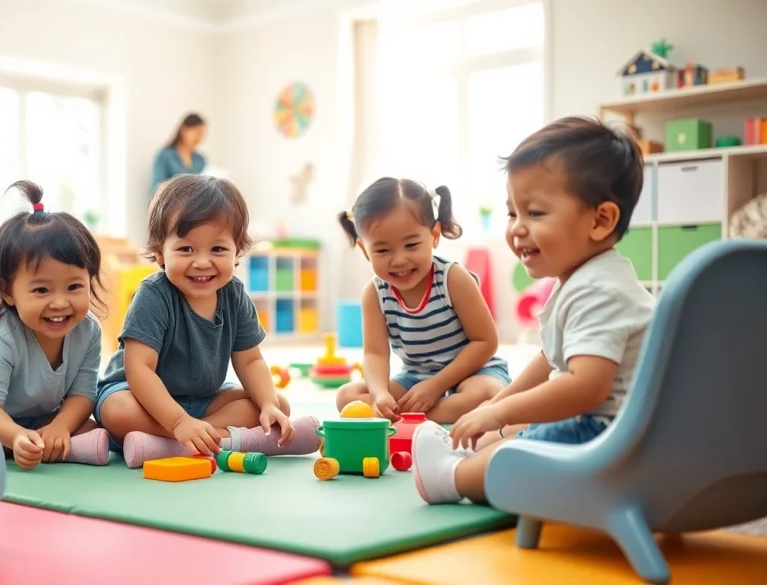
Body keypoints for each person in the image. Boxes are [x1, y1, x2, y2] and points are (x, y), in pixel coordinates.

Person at [411, 116, 656, 505]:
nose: (517, 229)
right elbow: (549, 359)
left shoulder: (599, 290)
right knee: (505, 427)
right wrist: (497, 405)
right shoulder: (586, 278)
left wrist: (501, 411)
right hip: (606, 428)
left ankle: (452, 477)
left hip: (607, 438)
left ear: (601, 219)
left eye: (535, 213)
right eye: (512, 213)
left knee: (517, 452)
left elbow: (584, 387)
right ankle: (472, 452)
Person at [95, 174, 321, 468]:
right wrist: (178, 421)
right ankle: (198, 436)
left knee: (279, 405)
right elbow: (139, 370)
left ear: (237, 252)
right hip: (139, 397)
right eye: (186, 249)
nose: (202, 262)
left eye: (217, 249)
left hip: (203, 400)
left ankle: (184, 441)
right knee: (116, 410)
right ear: (160, 253)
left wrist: (267, 404)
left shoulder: (234, 295)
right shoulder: (154, 295)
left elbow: (250, 361)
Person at [0, 180, 110, 470]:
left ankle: (1, 446)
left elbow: (82, 395)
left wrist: (60, 428)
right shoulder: (2, 334)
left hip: (32, 414)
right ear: (8, 291)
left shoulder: (88, 331)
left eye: (74, 286)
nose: (60, 303)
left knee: (84, 424)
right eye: (41, 291)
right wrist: (15, 436)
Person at [335, 178, 510, 424]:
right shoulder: (375, 293)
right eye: (383, 250)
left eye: (411, 245)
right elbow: (375, 353)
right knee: (348, 396)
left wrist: (437, 385)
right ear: (365, 250)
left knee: (484, 393)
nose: (399, 259)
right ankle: (418, 415)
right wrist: (380, 394)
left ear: (434, 235)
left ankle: (410, 418)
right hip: (415, 378)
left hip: (474, 372)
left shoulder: (452, 278)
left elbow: (485, 342)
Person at [150, 113, 207, 194]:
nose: (200, 137)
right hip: (172, 205)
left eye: (202, 133)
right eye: (197, 132)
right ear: (183, 130)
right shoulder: (165, 156)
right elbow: (156, 188)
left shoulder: (201, 160)